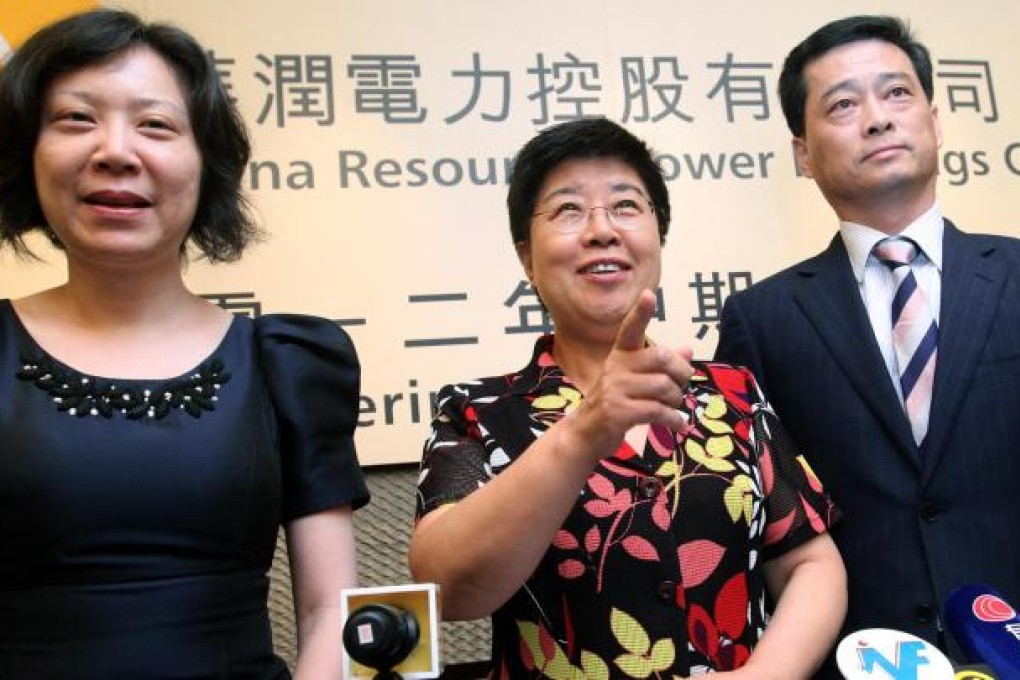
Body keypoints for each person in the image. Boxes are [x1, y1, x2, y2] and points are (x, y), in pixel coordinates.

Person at [0, 9, 369, 679]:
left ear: (207, 166)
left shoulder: (287, 361)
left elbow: (329, 614)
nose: (114, 151)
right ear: (29, 154)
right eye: (76, 119)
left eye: (156, 125)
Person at [409, 118, 845, 678]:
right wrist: (583, 430)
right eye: (568, 210)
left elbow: (810, 560)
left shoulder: (731, 394)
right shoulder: (476, 412)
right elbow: (446, 591)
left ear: (657, 235)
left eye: (625, 206)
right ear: (526, 257)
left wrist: (767, 675)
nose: (601, 231)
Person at [714, 14, 1020, 672]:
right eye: (844, 105)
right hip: (856, 659)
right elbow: (756, 521)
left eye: (898, 94)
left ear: (936, 122)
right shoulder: (761, 320)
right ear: (802, 152)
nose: (878, 119)